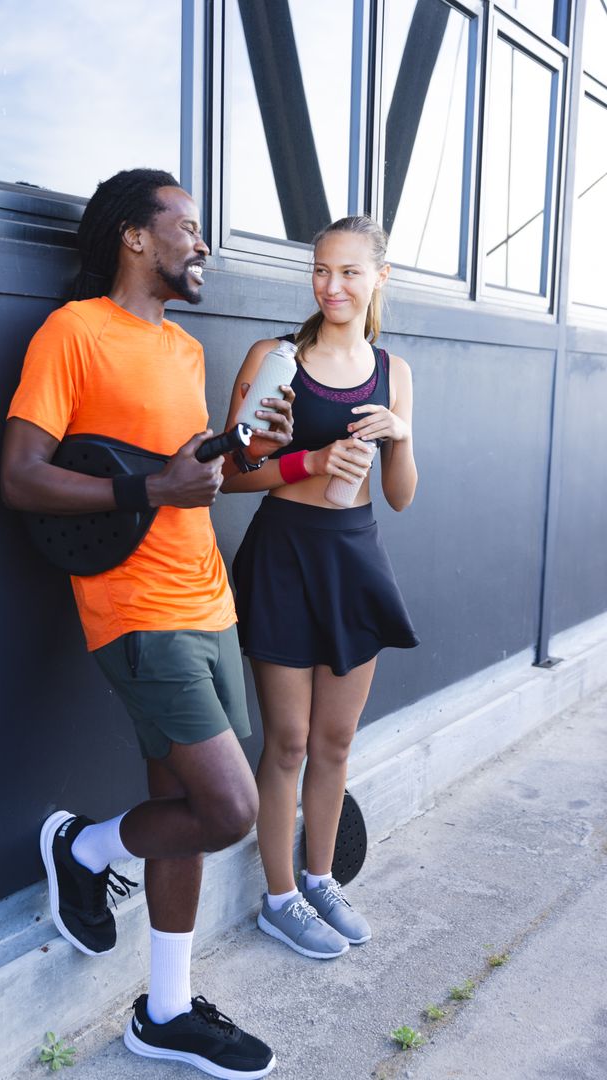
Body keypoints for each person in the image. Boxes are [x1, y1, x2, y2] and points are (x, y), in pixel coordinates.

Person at [1, 168, 293, 1079]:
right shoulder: (73, 333)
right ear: (136, 237)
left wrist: (252, 453)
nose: (202, 243)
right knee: (229, 809)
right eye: (188, 226)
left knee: (182, 808)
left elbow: (189, 476)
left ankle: (165, 1010)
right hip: (137, 611)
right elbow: (19, 475)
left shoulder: (184, 352)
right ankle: (81, 846)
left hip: (208, 599)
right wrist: (149, 486)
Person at [222, 214, 419, 960]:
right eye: (320, 271)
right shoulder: (275, 358)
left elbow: (400, 496)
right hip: (284, 555)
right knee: (290, 742)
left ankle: (320, 876)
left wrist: (399, 436)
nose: (332, 286)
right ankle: (278, 899)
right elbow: (229, 473)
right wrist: (313, 460)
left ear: (379, 279)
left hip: (354, 555)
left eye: (348, 272)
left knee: (335, 740)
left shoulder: (394, 372)